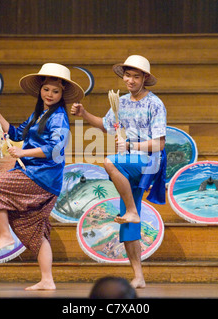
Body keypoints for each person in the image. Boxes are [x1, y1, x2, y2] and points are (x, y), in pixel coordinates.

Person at [0, 63, 84, 290]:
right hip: (34, 173)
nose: (50, 95)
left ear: (62, 93)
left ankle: (4, 234)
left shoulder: (59, 117)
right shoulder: (39, 113)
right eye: (46, 90)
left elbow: (56, 148)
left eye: (55, 91)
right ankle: (47, 280)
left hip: (42, 175)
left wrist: (23, 152)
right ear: (40, 90)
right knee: (32, 229)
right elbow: (15, 133)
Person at [71, 55, 167, 288]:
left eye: (136, 76)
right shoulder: (121, 102)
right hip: (128, 162)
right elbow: (105, 125)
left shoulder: (155, 103)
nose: (131, 80)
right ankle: (139, 277)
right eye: (128, 75)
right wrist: (84, 114)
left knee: (109, 162)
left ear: (144, 78)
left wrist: (131, 145)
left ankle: (132, 210)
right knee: (126, 222)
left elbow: (160, 144)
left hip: (148, 160)